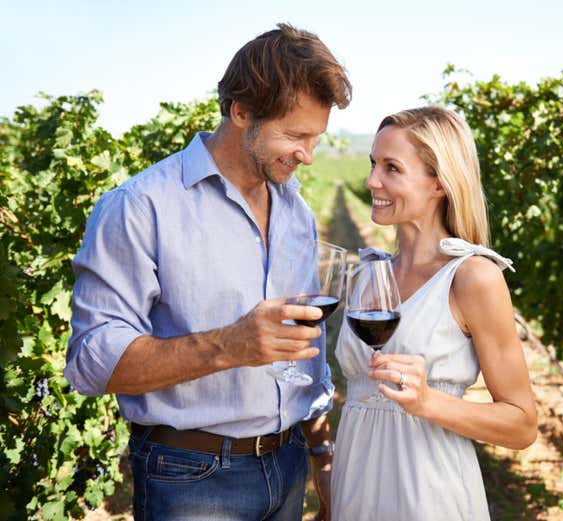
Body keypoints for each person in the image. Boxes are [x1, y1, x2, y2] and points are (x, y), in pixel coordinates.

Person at [64, 24, 351, 521]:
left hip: (287, 465)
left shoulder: (296, 211)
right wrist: (229, 345)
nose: (307, 155)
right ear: (241, 112)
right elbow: (91, 363)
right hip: (190, 477)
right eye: (294, 135)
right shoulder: (140, 207)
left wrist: (322, 454)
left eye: (316, 138)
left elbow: (308, 349)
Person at [330, 106, 538, 520]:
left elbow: (522, 424)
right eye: (373, 164)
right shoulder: (368, 277)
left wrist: (428, 402)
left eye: (391, 168)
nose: (372, 180)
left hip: (429, 496)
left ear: (439, 183)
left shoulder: (472, 277)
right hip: (355, 492)